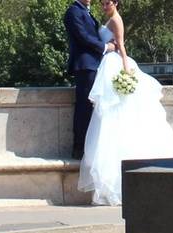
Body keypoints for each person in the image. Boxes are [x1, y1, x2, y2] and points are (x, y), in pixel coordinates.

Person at [77, 0, 173, 206]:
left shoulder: (116, 20)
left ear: (116, 3)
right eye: (103, 3)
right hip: (107, 65)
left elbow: (121, 45)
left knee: (116, 114)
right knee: (109, 115)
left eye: (107, 3)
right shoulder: (107, 19)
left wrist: (126, 71)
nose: (104, 6)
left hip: (115, 65)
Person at [64, 0, 117, 160]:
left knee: (92, 107)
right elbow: (83, 37)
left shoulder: (85, 11)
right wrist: (106, 47)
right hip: (85, 66)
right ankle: (79, 148)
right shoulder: (73, 11)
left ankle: (90, 147)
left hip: (94, 65)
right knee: (85, 106)